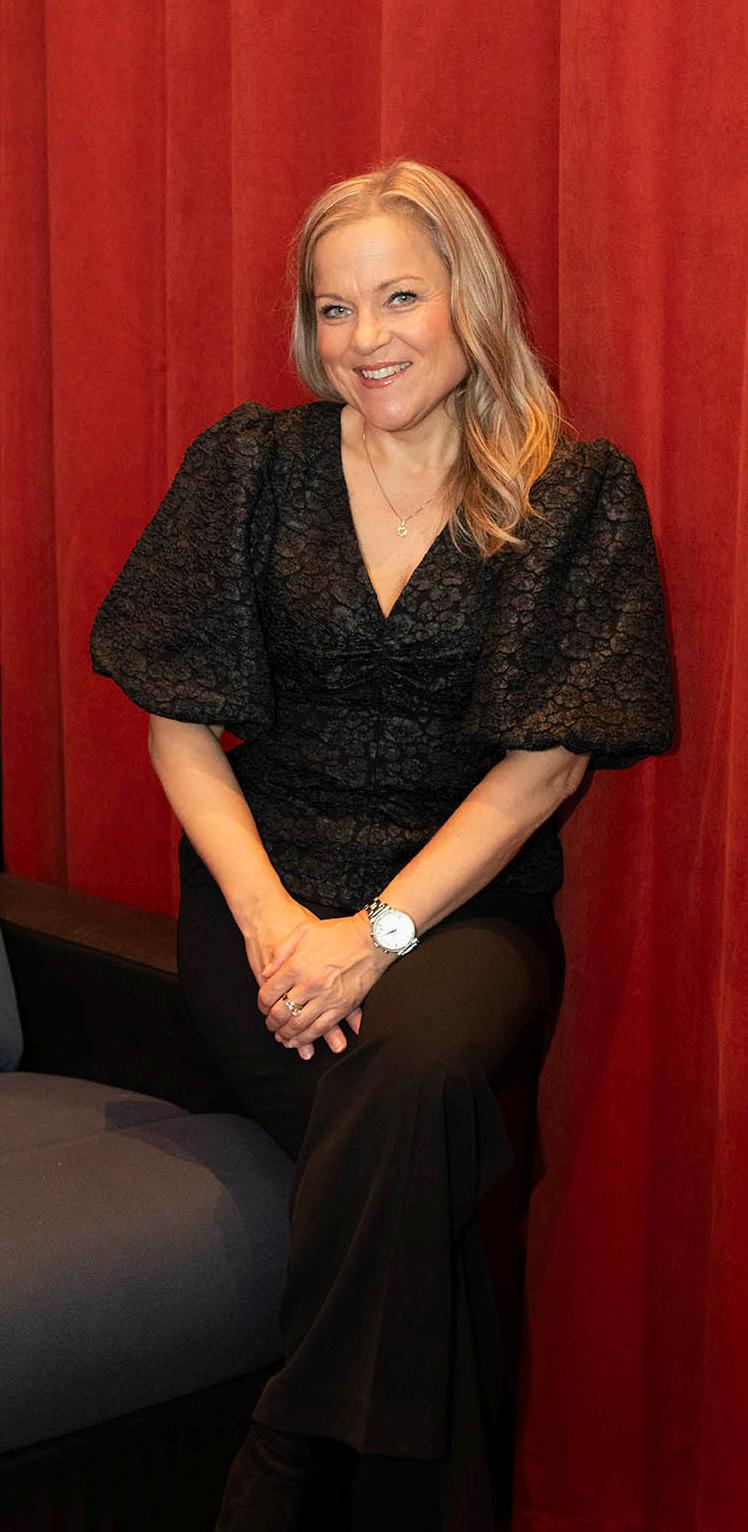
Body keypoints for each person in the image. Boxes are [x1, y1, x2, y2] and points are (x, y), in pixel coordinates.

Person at [89, 158, 675, 1531]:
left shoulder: (570, 491)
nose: (366, 339)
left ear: (469, 299)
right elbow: (178, 726)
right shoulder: (252, 465)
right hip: (265, 901)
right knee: (422, 1181)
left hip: (464, 909)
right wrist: (276, 924)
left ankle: (285, 1449)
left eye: (400, 297)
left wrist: (380, 935)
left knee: (412, 1079)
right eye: (334, 307)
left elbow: (549, 762)